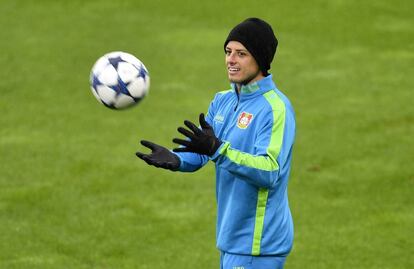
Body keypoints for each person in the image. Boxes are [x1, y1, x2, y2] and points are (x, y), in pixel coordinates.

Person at [136, 17, 296, 269]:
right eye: (228, 52)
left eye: (241, 54)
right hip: (232, 238)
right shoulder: (222, 101)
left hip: (258, 243)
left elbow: (270, 171)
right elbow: (202, 151)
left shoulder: (275, 109)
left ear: (261, 60)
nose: (231, 60)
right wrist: (177, 159)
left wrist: (217, 150)